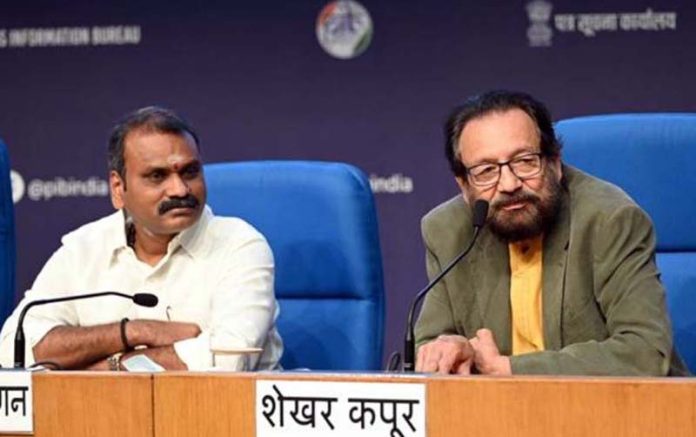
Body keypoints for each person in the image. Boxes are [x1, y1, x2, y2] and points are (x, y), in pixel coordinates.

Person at [414, 90, 688, 376]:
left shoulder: (611, 221)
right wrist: (452, 349)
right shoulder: (447, 231)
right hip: (498, 415)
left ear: (554, 163)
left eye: (524, 161)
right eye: (486, 170)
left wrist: (509, 369)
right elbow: (431, 347)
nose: (508, 184)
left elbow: (644, 351)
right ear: (463, 185)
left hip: (623, 412)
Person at [0, 106, 283, 371]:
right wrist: (132, 331)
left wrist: (109, 367)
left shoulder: (239, 245)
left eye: (190, 172)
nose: (179, 189)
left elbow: (228, 361)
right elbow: (13, 347)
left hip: (219, 416)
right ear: (118, 188)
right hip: (107, 418)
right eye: (157, 176)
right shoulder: (83, 249)